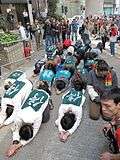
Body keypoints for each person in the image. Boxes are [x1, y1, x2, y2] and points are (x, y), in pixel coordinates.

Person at [6, 82, 51, 157]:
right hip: (29, 106)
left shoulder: (37, 116)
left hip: (45, 99)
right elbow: (16, 129)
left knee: (45, 119)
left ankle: (49, 103)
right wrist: (14, 143)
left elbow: (34, 132)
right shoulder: (19, 116)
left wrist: (18, 145)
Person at [100, 88, 120, 160]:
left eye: (107, 106)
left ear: (118, 105)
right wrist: (112, 123)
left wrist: (111, 157)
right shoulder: (117, 112)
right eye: (102, 105)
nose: (103, 109)